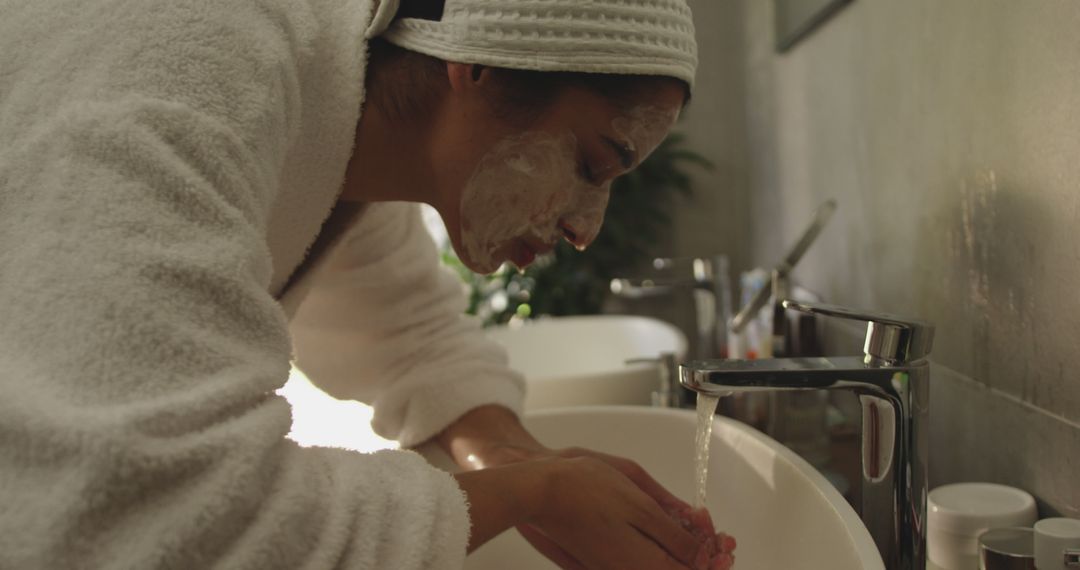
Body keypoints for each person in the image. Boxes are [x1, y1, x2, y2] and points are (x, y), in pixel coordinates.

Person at [0, 0, 733, 568]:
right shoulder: (190, 76)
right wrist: (528, 493)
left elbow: (405, 331)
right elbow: (146, 515)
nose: (585, 227)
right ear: (479, 65)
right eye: (592, 162)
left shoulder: (333, 130)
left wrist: (511, 454)